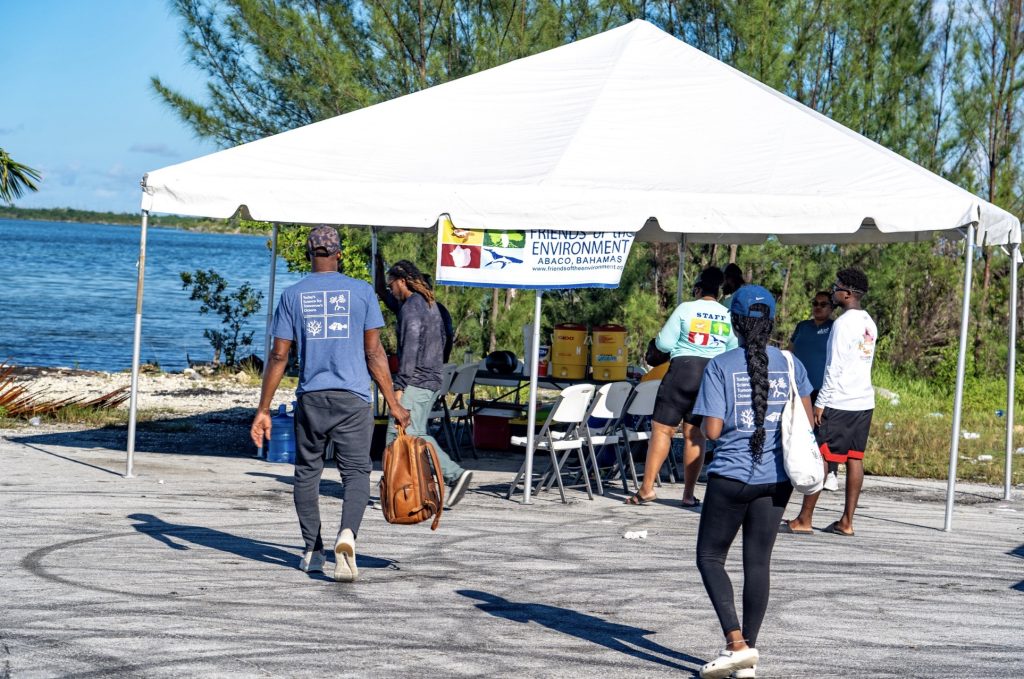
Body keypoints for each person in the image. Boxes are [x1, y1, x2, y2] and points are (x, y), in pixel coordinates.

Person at [250, 226, 411, 582]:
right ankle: (347, 535)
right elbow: (374, 352)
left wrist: (263, 409)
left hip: (312, 399)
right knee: (355, 473)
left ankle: (312, 550)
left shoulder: (292, 295)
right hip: (353, 399)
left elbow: (279, 355)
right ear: (339, 254)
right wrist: (393, 404)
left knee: (307, 473)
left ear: (310, 255)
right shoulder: (362, 292)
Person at [690, 285, 813, 679]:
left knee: (710, 557)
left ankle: (737, 644)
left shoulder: (720, 365)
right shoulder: (792, 364)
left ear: (735, 322)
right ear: (772, 321)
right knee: (758, 562)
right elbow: (807, 421)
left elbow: (711, 430)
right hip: (777, 481)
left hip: (730, 476)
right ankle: (748, 658)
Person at [625, 267, 737, 507]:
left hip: (682, 372)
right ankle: (688, 494)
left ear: (698, 287)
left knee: (662, 430)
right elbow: (732, 349)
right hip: (710, 376)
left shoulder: (686, 308)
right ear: (718, 290)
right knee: (695, 435)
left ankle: (646, 489)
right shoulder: (727, 313)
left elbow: (664, 344)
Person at [781, 268, 877, 537]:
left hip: (840, 401)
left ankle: (805, 518)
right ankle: (847, 521)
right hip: (863, 401)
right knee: (854, 459)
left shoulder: (843, 324)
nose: (833, 290)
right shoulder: (869, 321)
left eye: (837, 287)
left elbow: (833, 367)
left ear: (846, 293)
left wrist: (821, 402)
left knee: (822, 456)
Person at [384, 259, 473, 508]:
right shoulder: (431, 303)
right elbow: (446, 339)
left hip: (416, 380)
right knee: (414, 432)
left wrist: (399, 386)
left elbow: (410, 347)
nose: (391, 290)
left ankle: (451, 475)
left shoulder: (411, 308)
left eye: (391, 285)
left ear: (402, 281)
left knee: (400, 432)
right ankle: (413, 488)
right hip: (433, 377)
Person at [788, 291, 839, 491]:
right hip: (799, 388)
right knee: (798, 428)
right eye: (815, 303)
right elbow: (790, 351)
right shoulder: (802, 326)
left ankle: (831, 471)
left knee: (823, 432)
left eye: (823, 304)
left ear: (831, 308)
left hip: (823, 388)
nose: (818, 307)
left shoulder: (835, 328)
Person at [375, 254, 455, 362]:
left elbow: (448, 337)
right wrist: (379, 266)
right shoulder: (404, 305)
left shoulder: (406, 307)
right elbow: (381, 291)